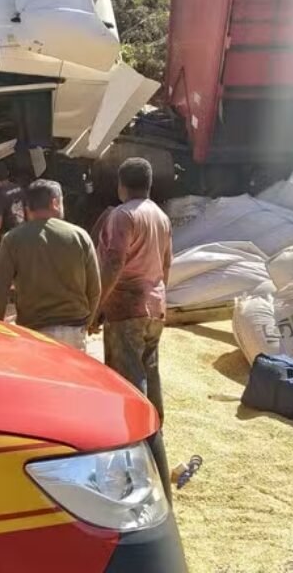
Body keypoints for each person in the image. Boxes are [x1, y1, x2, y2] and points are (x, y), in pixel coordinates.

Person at [94, 157, 172, 420]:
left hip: (127, 306)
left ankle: (136, 434)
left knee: (128, 377)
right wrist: (160, 296)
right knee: (149, 370)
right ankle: (154, 432)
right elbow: (166, 264)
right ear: (149, 185)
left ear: (121, 185)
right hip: (155, 306)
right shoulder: (161, 217)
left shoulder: (123, 215)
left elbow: (115, 261)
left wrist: (97, 305)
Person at [0, 179, 100, 350]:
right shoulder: (79, 236)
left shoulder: (12, 239)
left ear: (27, 208)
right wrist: (87, 323)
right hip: (74, 329)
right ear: (55, 203)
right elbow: (95, 289)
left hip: (33, 331)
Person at [0, 164, 25, 251]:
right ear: (8, 173)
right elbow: (28, 208)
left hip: (10, 233)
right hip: (24, 229)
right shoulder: (19, 188)